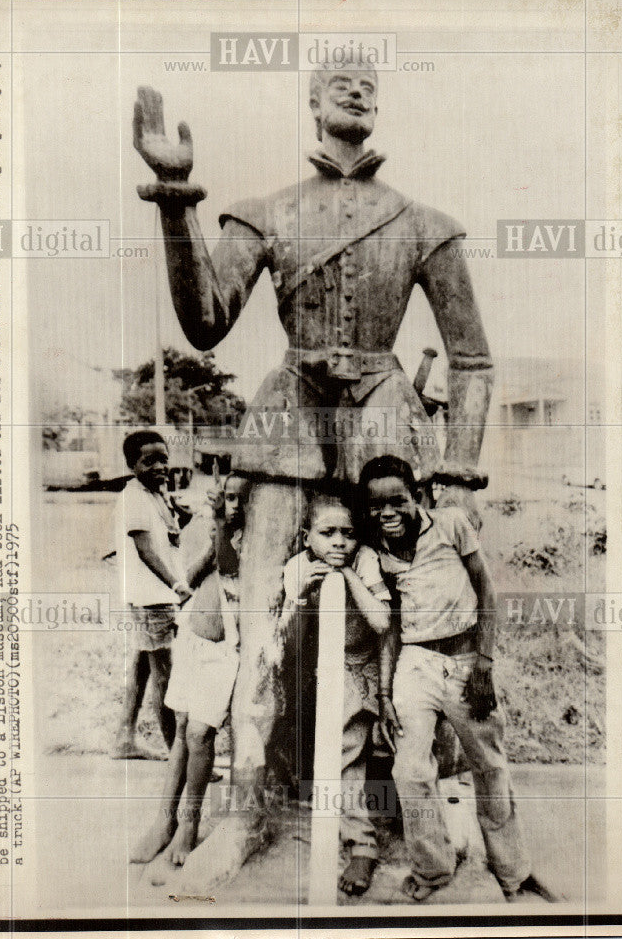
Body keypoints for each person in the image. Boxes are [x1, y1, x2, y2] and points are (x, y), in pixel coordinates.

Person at [132, 65, 494, 878]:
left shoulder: (423, 223)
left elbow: (471, 359)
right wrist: (176, 197)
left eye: (368, 81)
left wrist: (462, 473)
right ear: (313, 102)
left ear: (380, 102)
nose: (356, 90)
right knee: (261, 619)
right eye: (339, 81)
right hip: (288, 416)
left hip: (385, 422)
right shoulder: (266, 214)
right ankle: (248, 812)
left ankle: (413, 815)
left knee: (409, 624)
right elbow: (204, 322)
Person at [360, 454, 534, 903]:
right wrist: (384, 694)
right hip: (414, 666)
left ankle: (512, 869)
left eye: (397, 500)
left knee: (489, 766)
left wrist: (485, 663)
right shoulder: (376, 549)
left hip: (464, 661)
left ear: (418, 495)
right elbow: (394, 624)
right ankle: (433, 868)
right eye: (376, 505)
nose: (387, 513)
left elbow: (486, 590)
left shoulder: (452, 523)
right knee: (410, 769)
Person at [131, 472, 250, 865]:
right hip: (193, 641)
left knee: (200, 734)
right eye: (228, 498)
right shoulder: (216, 532)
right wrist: (185, 583)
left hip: (224, 651)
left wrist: (216, 521)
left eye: (241, 500)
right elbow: (199, 574)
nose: (234, 506)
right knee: (181, 728)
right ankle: (163, 822)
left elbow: (230, 565)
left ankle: (189, 823)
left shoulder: (250, 540)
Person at [282, 493, 391, 896]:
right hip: (314, 669)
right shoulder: (297, 567)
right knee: (320, 753)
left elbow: (380, 621)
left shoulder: (362, 561)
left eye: (347, 533)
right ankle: (332, 819)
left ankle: (362, 845)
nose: (339, 542)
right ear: (307, 536)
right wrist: (299, 599)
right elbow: (289, 641)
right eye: (328, 533)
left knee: (347, 753)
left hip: (360, 667)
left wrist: (346, 576)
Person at [112, 430, 194, 760]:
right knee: (166, 674)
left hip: (155, 597)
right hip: (152, 599)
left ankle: (124, 739)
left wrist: (182, 514)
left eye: (164, 459)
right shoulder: (133, 498)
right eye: (150, 461)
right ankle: (181, 756)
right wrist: (177, 585)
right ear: (132, 465)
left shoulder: (155, 493)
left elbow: (170, 536)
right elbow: (146, 550)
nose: (160, 466)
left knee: (144, 665)